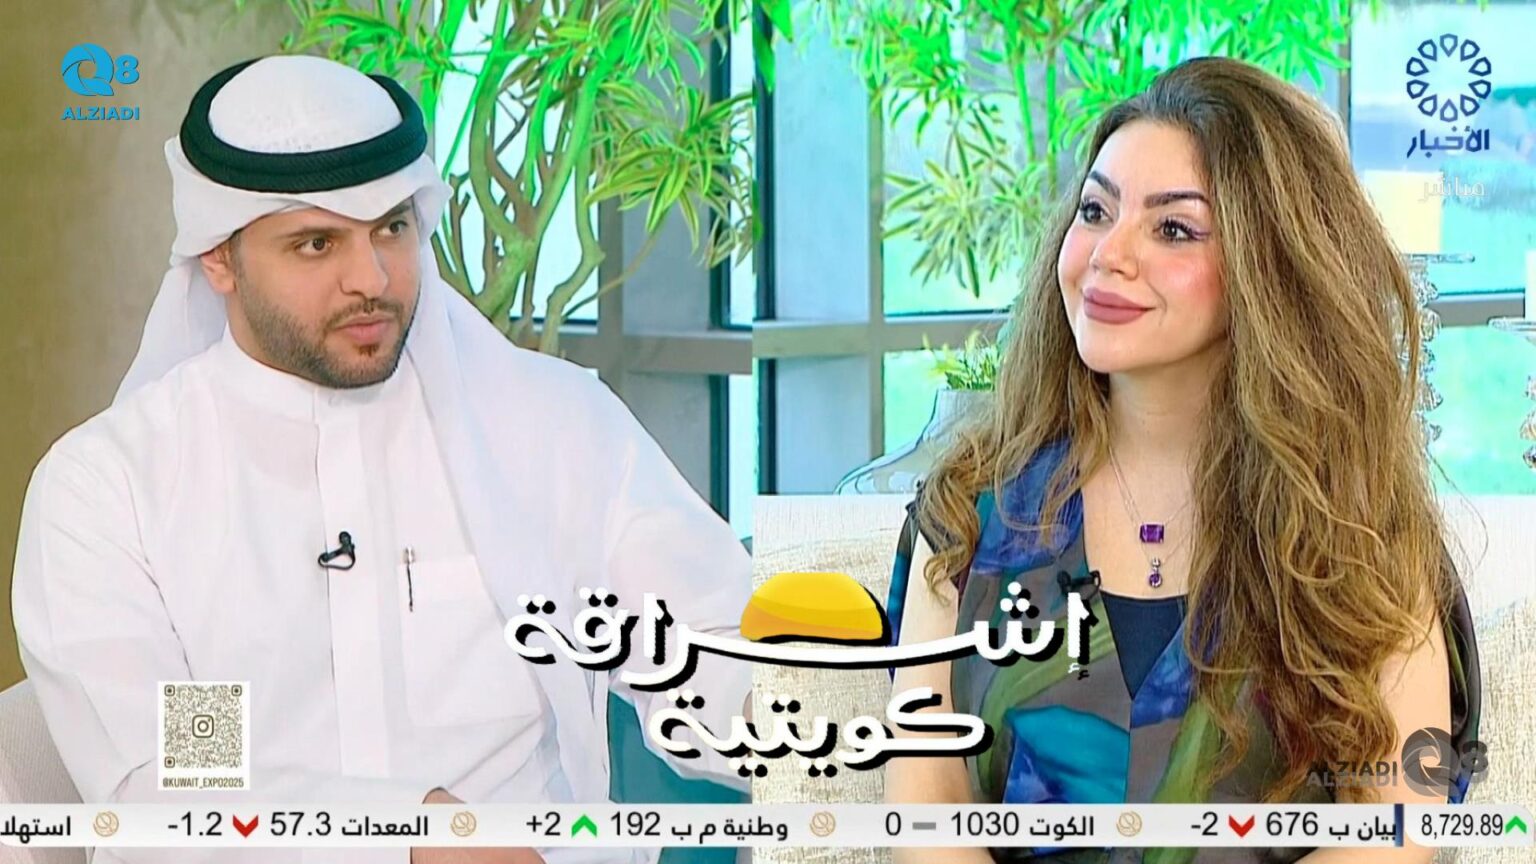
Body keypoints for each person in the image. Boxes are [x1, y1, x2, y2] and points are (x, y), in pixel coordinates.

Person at [11, 55, 751, 864]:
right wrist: (411, 832)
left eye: (392, 229)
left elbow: (704, 649)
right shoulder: (119, 490)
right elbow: (175, 783)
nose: (371, 278)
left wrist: (821, 714)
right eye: (317, 243)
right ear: (218, 257)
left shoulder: (553, 428)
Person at [883, 57, 1481, 863]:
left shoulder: (1364, 534)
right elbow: (927, 817)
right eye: (1096, 211)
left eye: (1173, 229)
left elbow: (1395, 834)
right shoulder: (967, 511)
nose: (1108, 254)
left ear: (1271, 269)